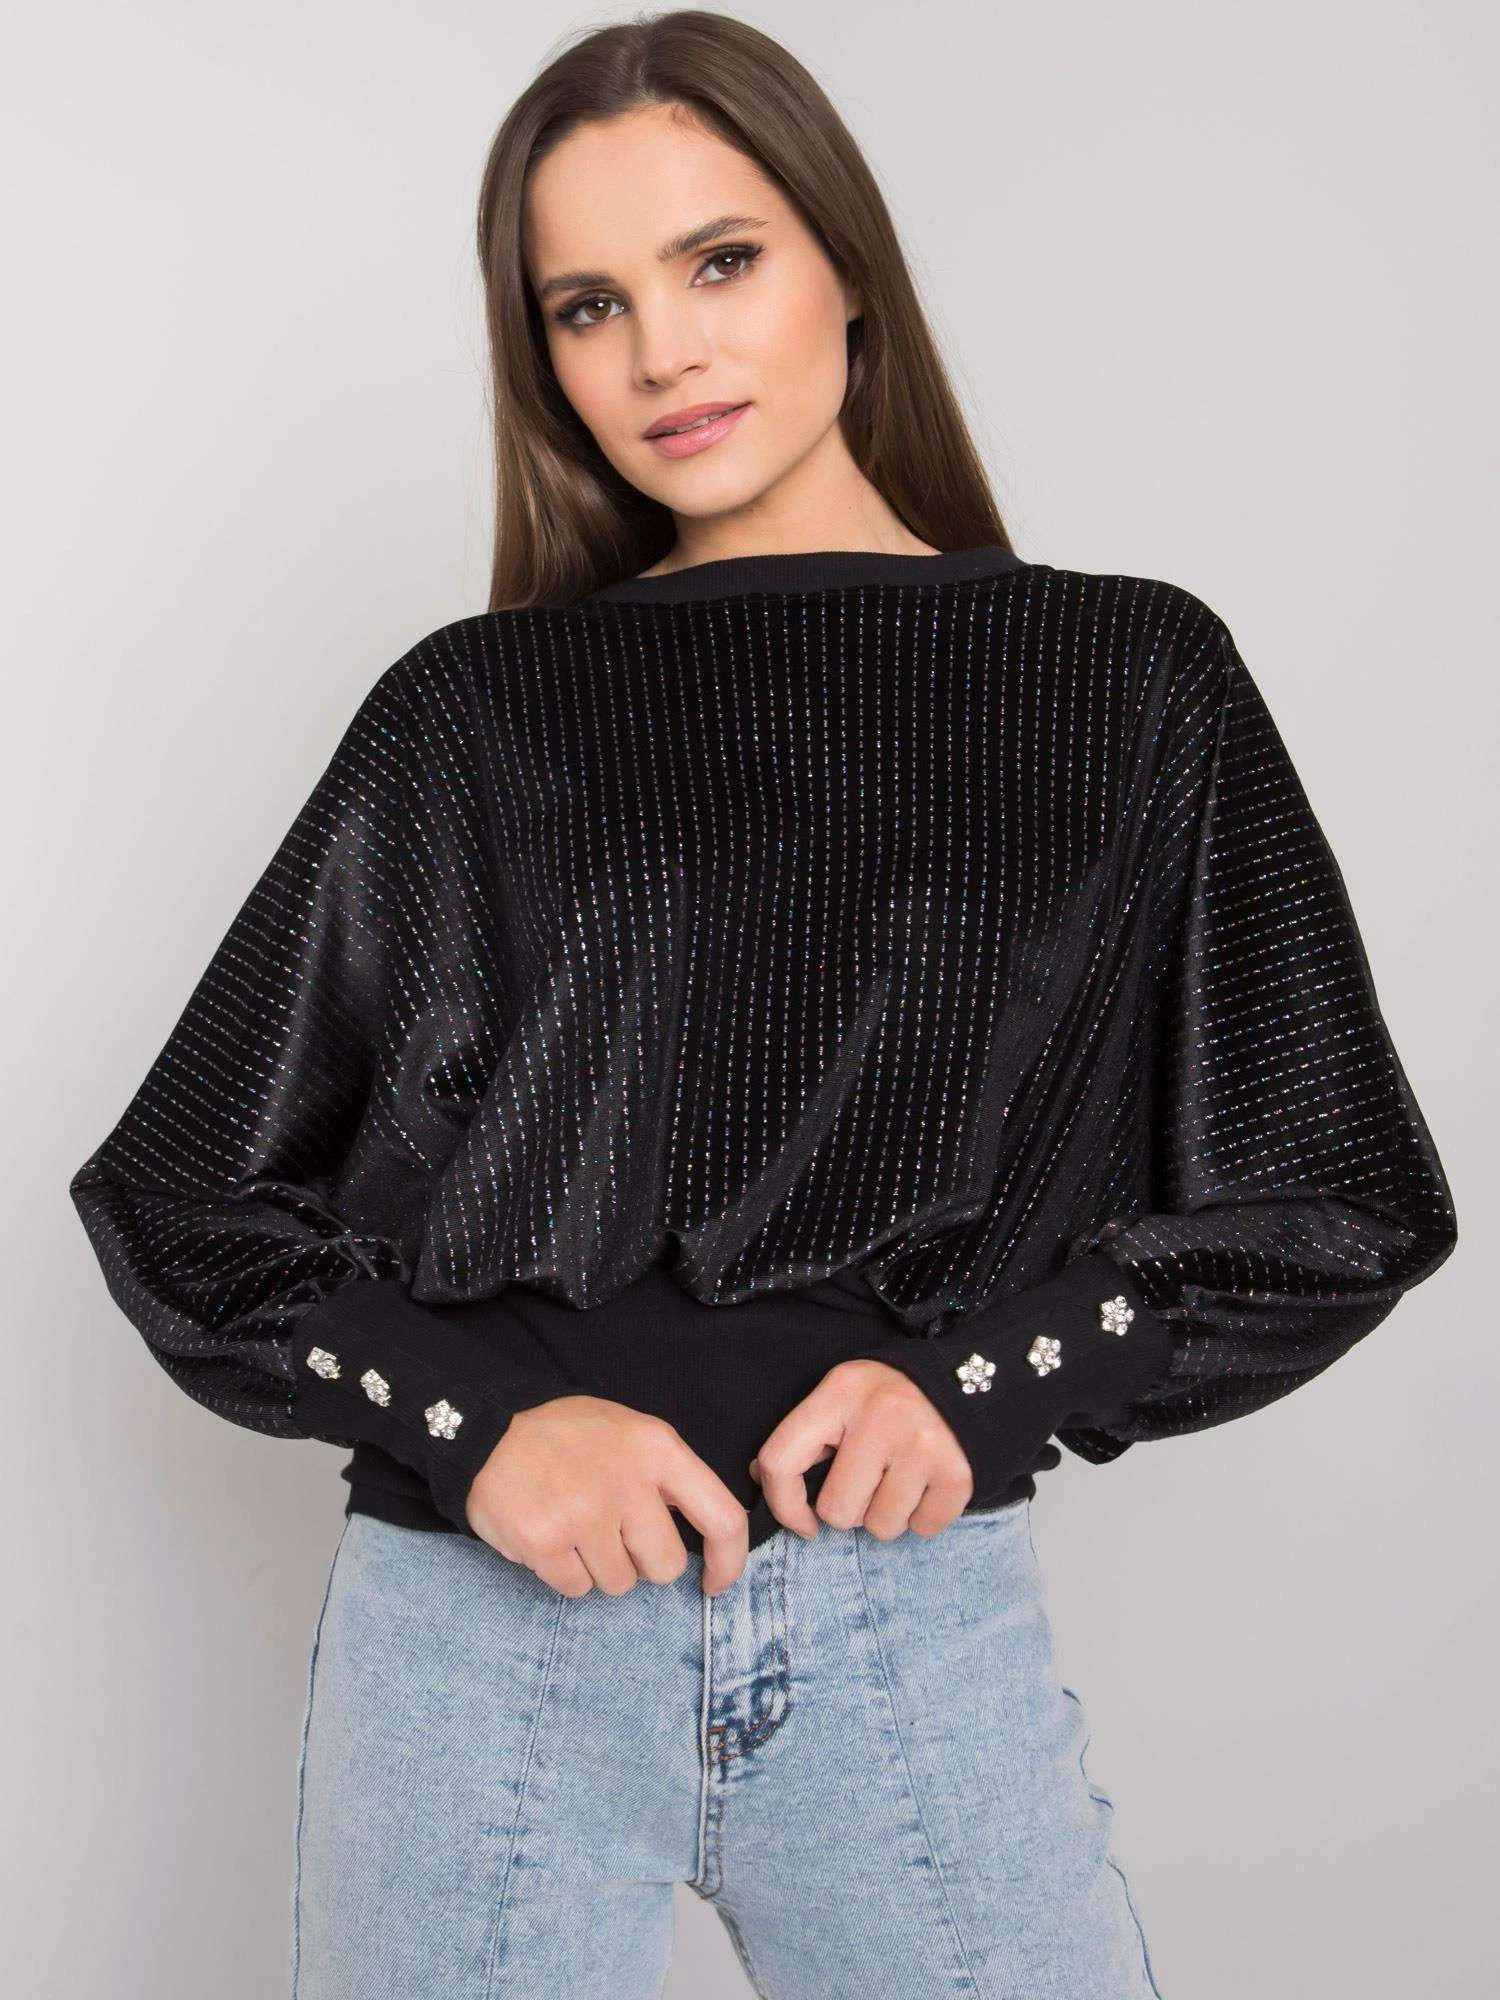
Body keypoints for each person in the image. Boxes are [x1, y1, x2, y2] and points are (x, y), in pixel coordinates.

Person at [68, 13, 1458, 1997]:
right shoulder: (478, 710)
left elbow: (1335, 1193)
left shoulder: (1126, 680)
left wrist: (985, 1383)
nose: (662, 352)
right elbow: (184, 1194)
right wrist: (481, 1425)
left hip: (906, 1634)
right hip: (481, 1646)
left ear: (847, 268)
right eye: (588, 305)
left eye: (719, 261)